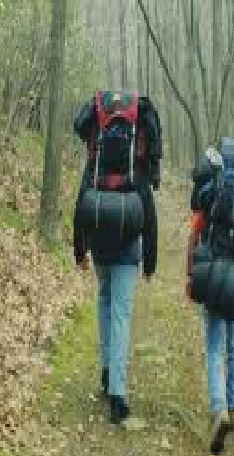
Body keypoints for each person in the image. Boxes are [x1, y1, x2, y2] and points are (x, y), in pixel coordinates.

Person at [73, 91, 160, 425]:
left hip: (99, 245)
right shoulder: (135, 167)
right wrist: (150, 261)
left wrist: (80, 250)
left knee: (105, 301)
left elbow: (81, 204)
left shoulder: (95, 162)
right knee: (122, 314)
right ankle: (118, 394)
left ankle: (108, 369)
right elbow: (149, 214)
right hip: (127, 249)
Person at [186, 142, 234, 454]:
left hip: (208, 276)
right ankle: (233, 407)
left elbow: (193, 238)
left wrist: (190, 276)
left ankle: (218, 409)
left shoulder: (210, 198)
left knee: (214, 348)